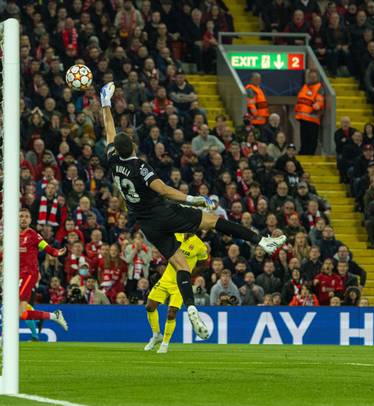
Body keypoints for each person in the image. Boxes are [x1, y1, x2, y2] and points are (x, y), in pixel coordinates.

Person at [99, 82, 286, 340]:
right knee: (215, 221)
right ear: (131, 146)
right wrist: (192, 199)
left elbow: (109, 131)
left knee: (180, 264)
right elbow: (163, 189)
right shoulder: (139, 167)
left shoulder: (113, 159)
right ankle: (263, 242)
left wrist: (105, 104)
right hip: (162, 213)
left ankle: (191, 309)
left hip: (147, 225)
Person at [0, 208, 68, 350]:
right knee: (21, 313)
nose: (23, 219)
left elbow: (47, 248)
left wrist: (56, 252)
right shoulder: (12, 235)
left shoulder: (33, 235)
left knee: (12, 309)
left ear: (30, 220)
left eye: (26, 216)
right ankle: (54, 316)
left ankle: (2, 341)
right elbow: (3, 254)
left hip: (29, 274)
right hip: (15, 276)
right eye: (21, 216)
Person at [144, 233, 208, 354]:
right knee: (150, 306)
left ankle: (165, 343)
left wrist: (190, 273)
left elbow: (204, 263)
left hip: (180, 284)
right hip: (165, 280)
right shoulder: (175, 235)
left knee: (171, 313)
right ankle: (156, 335)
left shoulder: (199, 245)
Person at [294, 69, 324, 155]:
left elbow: (320, 101)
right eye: (310, 77)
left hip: (313, 118)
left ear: (317, 78)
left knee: (312, 138)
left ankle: (310, 154)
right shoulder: (305, 86)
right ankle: (303, 152)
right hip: (302, 118)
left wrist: (314, 108)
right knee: (304, 137)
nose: (312, 78)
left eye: (313, 77)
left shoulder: (319, 87)